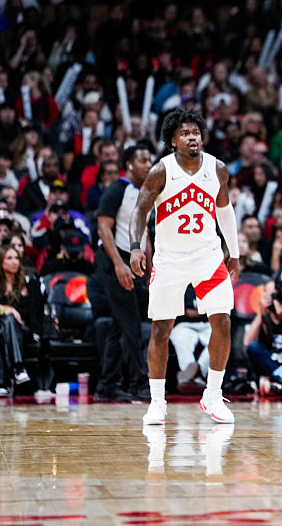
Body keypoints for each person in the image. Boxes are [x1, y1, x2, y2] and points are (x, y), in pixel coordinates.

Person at [131, 108, 240, 425]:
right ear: (172, 140)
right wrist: (136, 247)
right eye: (184, 133)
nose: (192, 137)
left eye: (196, 132)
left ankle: (213, 395)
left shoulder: (217, 169)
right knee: (161, 330)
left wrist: (234, 252)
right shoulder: (160, 171)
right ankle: (157, 402)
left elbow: (225, 211)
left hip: (208, 257)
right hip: (170, 260)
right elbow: (139, 212)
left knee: (223, 321)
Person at [93, 145, 153, 402]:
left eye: (150, 160)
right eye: (143, 160)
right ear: (129, 164)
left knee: (120, 327)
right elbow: (103, 229)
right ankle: (140, 384)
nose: (148, 165)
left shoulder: (147, 193)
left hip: (133, 262)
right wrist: (119, 264)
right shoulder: (117, 189)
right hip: (113, 259)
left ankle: (106, 386)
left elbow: (145, 234)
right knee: (131, 324)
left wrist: (150, 270)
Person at [0, 245, 44, 393]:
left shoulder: (30, 284)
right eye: (9, 258)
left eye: (17, 258)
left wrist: (36, 333)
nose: (14, 262)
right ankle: (18, 369)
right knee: (6, 322)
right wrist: (9, 309)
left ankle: (0, 382)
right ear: (0, 261)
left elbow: (36, 313)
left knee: (8, 323)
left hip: (24, 330)